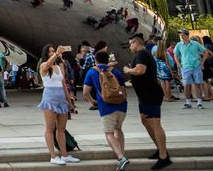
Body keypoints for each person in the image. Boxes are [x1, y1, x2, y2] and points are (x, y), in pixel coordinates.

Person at [123, 35, 172, 170]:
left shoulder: (142, 53)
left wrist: (128, 70)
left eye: (130, 44)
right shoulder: (143, 54)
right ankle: (160, 149)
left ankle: (164, 157)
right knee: (145, 120)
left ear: (136, 43)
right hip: (144, 95)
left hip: (150, 95)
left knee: (155, 124)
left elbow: (140, 70)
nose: (130, 47)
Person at [83, 51, 129, 171]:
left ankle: (121, 157)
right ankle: (122, 154)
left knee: (109, 133)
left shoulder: (92, 71)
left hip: (106, 106)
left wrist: (92, 101)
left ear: (96, 60)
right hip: (121, 105)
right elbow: (124, 90)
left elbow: (85, 92)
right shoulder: (115, 71)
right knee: (118, 129)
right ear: (108, 59)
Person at [38, 45, 80, 165]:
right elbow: (47, 65)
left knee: (61, 129)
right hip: (50, 98)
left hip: (61, 97)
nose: (52, 53)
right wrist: (56, 54)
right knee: (50, 128)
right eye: (50, 52)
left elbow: (63, 84)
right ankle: (53, 156)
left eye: (53, 51)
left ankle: (65, 154)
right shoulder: (43, 65)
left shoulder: (59, 65)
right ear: (46, 54)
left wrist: (69, 100)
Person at [173, 30, 210, 109]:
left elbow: (205, 52)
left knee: (198, 84)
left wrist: (202, 63)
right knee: (186, 85)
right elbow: (175, 55)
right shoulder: (179, 45)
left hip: (196, 66)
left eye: (183, 35)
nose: (182, 37)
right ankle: (188, 103)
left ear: (187, 35)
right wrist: (179, 65)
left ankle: (199, 103)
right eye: (181, 35)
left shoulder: (195, 44)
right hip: (185, 67)